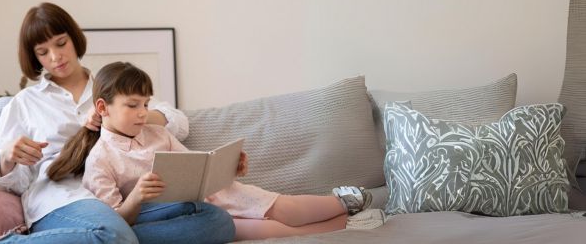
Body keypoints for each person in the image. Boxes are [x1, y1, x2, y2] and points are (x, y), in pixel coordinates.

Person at [0, 2, 235, 243]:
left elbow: (179, 122)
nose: (55, 56)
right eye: (43, 52)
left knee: (217, 221)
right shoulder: (25, 103)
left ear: (74, 38)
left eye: (61, 43)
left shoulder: (111, 85)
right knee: (115, 234)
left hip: (125, 201)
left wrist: (123, 116)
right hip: (63, 199)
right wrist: (8, 156)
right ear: (34, 57)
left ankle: (106, 239)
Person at [75, 62, 372, 241]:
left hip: (218, 193)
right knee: (270, 229)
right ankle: (347, 226)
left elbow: (195, 165)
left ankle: (346, 202)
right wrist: (138, 195)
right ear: (103, 107)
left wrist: (228, 167)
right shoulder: (100, 160)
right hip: (189, 215)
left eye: (145, 104)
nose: (142, 114)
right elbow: (116, 223)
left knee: (284, 207)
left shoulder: (158, 133)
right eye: (132, 105)